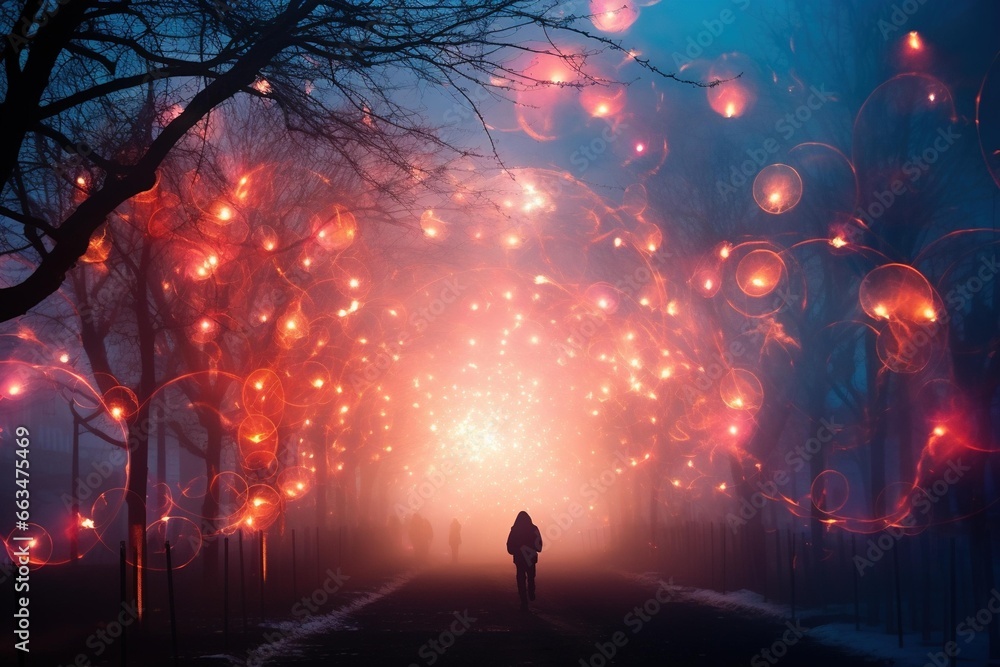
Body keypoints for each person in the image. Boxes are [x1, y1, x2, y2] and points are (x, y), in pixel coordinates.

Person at [506, 510, 542, 610]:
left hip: (519, 558)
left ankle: (524, 601)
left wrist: (514, 551)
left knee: (520, 579)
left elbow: (510, 545)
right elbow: (538, 543)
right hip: (530, 557)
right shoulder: (533, 528)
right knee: (531, 576)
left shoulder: (515, 530)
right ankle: (531, 591)